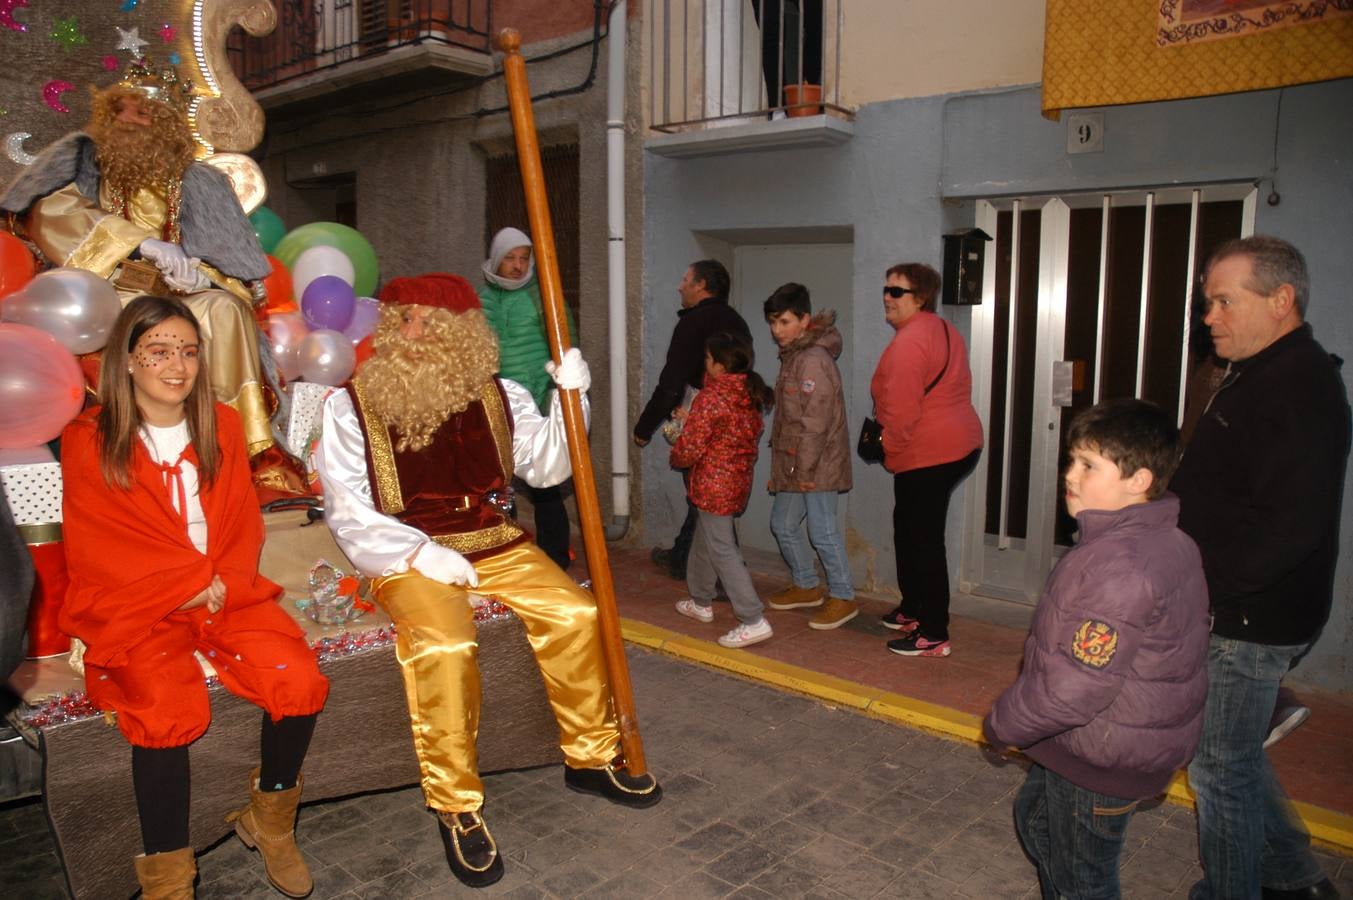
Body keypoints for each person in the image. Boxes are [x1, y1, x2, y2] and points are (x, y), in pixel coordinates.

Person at [315, 273, 661, 889]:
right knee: (445, 646)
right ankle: (456, 805)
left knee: (576, 614)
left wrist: (572, 402)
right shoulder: (350, 405)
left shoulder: (501, 397)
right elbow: (347, 510)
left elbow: (550, 466)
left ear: (462, 334)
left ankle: (589, 756)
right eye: (403, 321)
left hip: (494, 542)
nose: (413, 334)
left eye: (428, 321)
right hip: (406, 553)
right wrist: (418, 554)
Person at [58, 296, 329, 899]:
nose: (176, 366)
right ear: (126, 361)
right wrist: (187, 583)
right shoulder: (89, 438)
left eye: (187, 351)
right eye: (158, 352)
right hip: (138, 603)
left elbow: (241, 524)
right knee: (160, 709)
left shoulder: (223, 424)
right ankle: (168, 879)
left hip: (225, 590)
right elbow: (102, 541)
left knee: (298, 679)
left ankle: (271, 821)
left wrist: (224, 583)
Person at [1170, 236, 1350, 900]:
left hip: (1248, 617)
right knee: (1234, 752)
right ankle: (1292, 876)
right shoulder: (1263, 370)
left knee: (1217, 766)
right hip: (1241, 606)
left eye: (1222, 301)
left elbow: (1291, 527)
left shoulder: (1296, 387)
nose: (1208, 317)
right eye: (1205, 302)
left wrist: (1208, 594)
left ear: (1280, 300)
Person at [984, 399, 1210, 900]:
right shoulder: (1166, 541)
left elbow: (1074, 691)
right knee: (1037, 819)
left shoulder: (1120, 564)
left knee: (1082, 881)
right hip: (1100, 743)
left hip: (1101, 752)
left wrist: (1003, 725)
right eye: (1072, 460)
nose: (1070, 474)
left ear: (1139, 480)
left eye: (1089, 465)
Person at [0, 58, 276, 457]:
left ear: (165, 122)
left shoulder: (199, 181)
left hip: (177, 296)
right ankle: (145, 447)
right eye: (119, 111)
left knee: (226, 309)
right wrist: (141, 244)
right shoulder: (85, 163)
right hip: (106, 295)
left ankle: (228, 445)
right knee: (147, 327)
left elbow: (236, 270)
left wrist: (202, 277)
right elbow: (49, 214)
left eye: (140, 112)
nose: (127, 120)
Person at [869, 262, 983, 658]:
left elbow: (901, 414)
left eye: (897, 292)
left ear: (921, 298)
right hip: (959, 444)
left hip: (929, 452)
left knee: (924, 540)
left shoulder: (909, 343)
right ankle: (913, 607)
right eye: (886, 289)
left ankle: (933, 630)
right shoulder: (943, 330)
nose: (887, 297)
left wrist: (892, 454)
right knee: (909, 528)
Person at [634, 259, 751, 580]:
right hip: (733, 421)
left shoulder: (692, 323)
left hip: (702, 417)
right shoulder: (737, 322)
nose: (679, 285)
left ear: (701, 285)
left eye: (685, 279)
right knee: (705, 499)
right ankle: (682, 556)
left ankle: (727, 578)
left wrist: (645, 427)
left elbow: (672, 380)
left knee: (708, 503)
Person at [477, 226, 578, 570]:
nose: (518, 266)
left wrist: (555, 394)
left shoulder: (543, 295)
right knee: (498, 486)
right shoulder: (482, 300)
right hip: (498, 404)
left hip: (538, 401)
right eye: (511, 258)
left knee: (546, 485)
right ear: (496, 259)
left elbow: (567, 347)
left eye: (524, 258)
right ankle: (510, 557)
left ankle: (556, 559)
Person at [671, 332, 776, 648]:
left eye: (707, 358)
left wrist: (677, 449)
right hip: (735, 482)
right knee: (707, 538)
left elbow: (690, 447)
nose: (705, 363)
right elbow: (727, 433)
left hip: (712, 483)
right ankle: (701, 601)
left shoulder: (712, 397)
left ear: (718, 365)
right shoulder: (748, 395)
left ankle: (753, 618)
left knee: (722, 548)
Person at [761, 283, 856, 629]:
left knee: (823, 531)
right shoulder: (795, 356)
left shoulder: (813, 360)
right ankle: (806, 585)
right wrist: (784, 470)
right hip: (795, 461)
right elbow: (789, 421)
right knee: (783, 525)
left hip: (817, 464)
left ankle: (843, 596)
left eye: (784, 322)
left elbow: (815, 424)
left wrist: (803, 471)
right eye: (773, 322)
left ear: (804, 319)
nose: (777, 330)